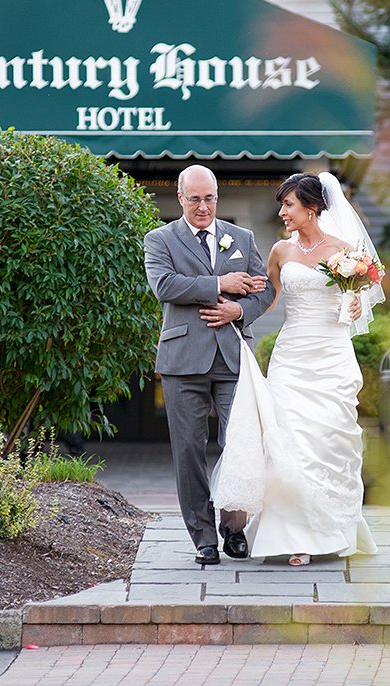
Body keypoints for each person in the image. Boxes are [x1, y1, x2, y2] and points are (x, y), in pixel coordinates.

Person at [212, 172, 382, 567]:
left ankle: (330, 530)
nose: (282, 212)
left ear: (313, 207)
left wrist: (355, 305)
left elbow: (357, 300)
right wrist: (236, 311)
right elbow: (267, 299)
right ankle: (292, 534)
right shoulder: (280, 252)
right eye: (282, 205)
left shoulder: (346, 252)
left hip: (331, 354)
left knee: (327, 441)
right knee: (287, 439)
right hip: (291, 355)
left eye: (289, 205)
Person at [143, 164, 275, 566]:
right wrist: (221, 284)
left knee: (240, 445)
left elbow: (264, 290)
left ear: (217, 197)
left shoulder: (242, 238)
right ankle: (202, 537)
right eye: (195, 199)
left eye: (210, 198)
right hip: (183, 360)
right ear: (181, 198)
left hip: (233, 357)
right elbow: (165, 286)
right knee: (189, 450)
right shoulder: (160, 239)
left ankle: (234, 529)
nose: (203, 206)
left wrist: (239, 308)